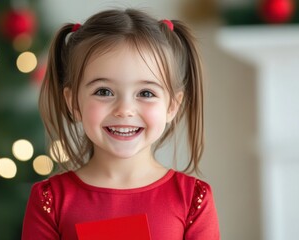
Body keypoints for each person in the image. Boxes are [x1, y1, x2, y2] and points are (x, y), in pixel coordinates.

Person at [22, 8, 220, 240]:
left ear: (172, 106)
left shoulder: (192, 199)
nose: (124, 110)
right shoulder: (49, 200)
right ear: (73, 102)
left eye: (146, 93)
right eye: (104, 91)